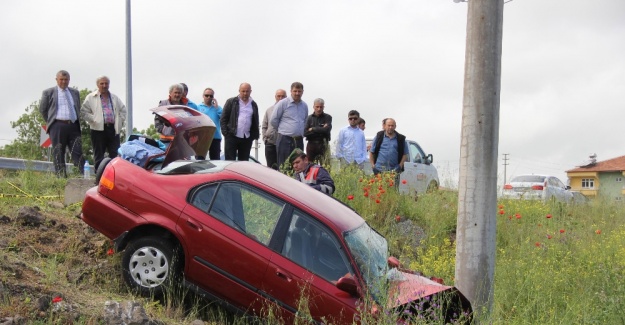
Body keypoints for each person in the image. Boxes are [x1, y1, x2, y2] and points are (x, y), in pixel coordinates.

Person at [39, 70, 85, 178]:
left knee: (77, 151)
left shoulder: (75, 92)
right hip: (57, 125)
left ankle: (82, 176)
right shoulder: (48, 92)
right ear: (56, 80)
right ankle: (61, 177)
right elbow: (43, 110)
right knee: (59, 152)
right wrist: (52, 122)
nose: (64, 82)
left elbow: (77, 108)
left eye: (66, 80)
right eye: (61, 80)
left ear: (69, 80)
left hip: (73, 125)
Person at [80, 76, 127, 171]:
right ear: (98, 85)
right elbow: (84, 112)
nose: (104, 85)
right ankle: (99, 177)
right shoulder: (91, 97)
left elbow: (123, 110)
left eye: (106, 83)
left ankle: (115, 176)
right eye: (102, 83)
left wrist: (120, 122)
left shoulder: (114, 97)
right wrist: (93, 119)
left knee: (115, 154)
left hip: (113, 129)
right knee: (98, 154)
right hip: (97, 129)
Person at [271, 82, 308, 169]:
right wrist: (282, 130)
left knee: (299, 167)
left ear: (302, 92)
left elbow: (305, 121)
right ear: (291, 91)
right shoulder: (283, 103)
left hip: (298, 140)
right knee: (284, 166)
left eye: (299, 91)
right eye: (295, 91)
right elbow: (273, 120)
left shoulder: (304, 106)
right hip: (285, 139)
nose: (297, 93)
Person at [220, 83, 259, 161]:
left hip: (246, 137)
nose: (245, 93)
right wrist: (226, 134)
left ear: (250, 91)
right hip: (232, 136)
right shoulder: (231, 102)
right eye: (243, 91)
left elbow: (255, 120)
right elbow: (223, 119)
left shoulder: (253, 104)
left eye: (247, 91)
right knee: (230, 161)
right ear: (239, 91)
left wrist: (253, 136)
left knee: (243, 163)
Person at [262, 89, 287, 169]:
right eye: (278, 96)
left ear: (286, 97)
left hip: (284, 143)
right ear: (275, 97)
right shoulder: (269, 110)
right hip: (270, 143)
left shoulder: (288, 110)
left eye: (283, 96)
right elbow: (264, 125)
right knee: (270, 168)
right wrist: (265, 138)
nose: (280, 98)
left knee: (283, 167)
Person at [304, 98, 332, 165]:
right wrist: (321, 129)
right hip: (311, 145)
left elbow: (327, 130)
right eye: (317, 107)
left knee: (325, 167)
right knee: (310, 166)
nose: (319, 109)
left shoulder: (328, 117)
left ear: (323, 107)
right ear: (313, 107)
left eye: (321, 107)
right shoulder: (309, 118)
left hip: (323, 144)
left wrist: (313, 129)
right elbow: (305, 133)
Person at [197, 87, 222, 160]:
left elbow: (223, 118)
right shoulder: (198, 107)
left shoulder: (218, 108)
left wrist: (217, 107)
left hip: (215, 137)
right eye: (207, 95)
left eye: (211, 96)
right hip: (202, 137)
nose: (209, 97)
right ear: (203, 96)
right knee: (200, 159)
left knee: (216, 160)